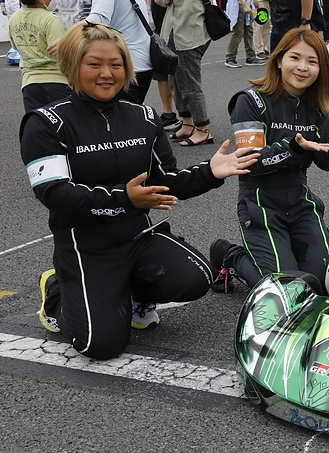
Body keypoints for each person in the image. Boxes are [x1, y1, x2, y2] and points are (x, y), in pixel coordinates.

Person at [23, 22, 259, 360]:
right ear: (72, 66)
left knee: (196, 277)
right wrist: (125, 199)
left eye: (116, 64)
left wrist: (210, 171)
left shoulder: (144, 117)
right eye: (94, 64)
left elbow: (166, 180)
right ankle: (58, 291)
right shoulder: (46, 122)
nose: (107, 73)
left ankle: (133, 296)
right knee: (100, 346)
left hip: (137, 238)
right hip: (85, 246)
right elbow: (54, 193)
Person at [209, 28, 329, 291]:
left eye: (312, 61)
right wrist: (294, 149)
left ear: (321, 69)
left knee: (326, 282)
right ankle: (230, 256)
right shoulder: (250, 101)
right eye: (295, 58)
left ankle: (284, 255)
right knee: (286, 289)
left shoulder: (317, 104)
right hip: (260, 203)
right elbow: (250, 163)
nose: (302, 67)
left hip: (300, 201)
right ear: (278, 60)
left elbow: (327, 164)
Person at [153, 0, 215, 147]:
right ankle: (187, 123)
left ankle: (202, 128)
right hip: (196, 29)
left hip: (183, 32)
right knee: (177, 79)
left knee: (188, 82)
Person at [8, 0, 71, 112]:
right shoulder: (51, 20)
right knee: (64, 121)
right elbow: (61, 54)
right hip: (57, 83)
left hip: (29, 84)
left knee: (38, 122)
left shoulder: (14, 18)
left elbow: (16, 47)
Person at [145, 0, 181, 132]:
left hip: (174, 22)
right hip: (157, 23)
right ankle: (168, 113)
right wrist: (150, 18)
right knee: (160, 69)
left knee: (178, 72)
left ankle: (187, 114)